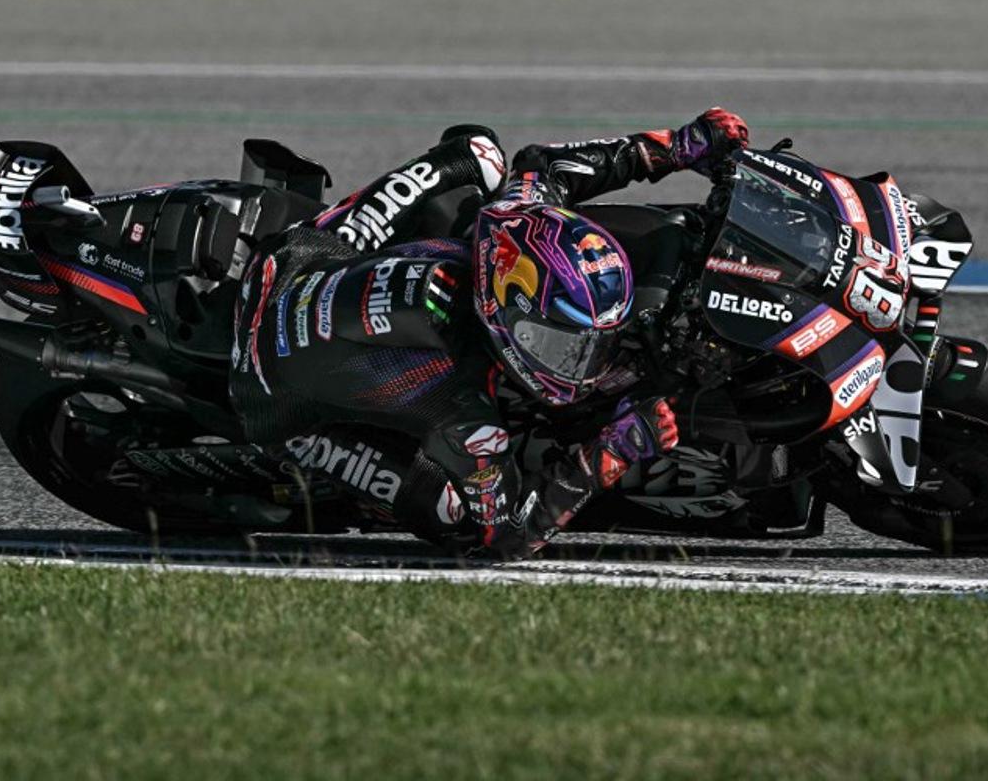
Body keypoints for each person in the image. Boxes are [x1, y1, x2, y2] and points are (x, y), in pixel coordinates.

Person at [228, 108, 751, 557]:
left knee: (478, 150)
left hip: (298, 260)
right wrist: (608, 454)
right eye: (563, 346)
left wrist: (680, 147)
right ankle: (307, 457)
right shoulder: (467, 412)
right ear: (505, 315)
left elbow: (543, 164)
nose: (584, 366)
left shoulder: (516, 217)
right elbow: (509, 537)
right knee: (458, 522)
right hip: (271, 393)